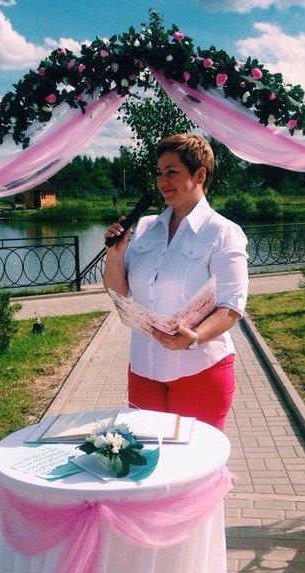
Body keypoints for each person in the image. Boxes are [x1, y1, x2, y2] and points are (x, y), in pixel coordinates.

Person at [103, 134, 248, 430]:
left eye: (171, 172)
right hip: (144, 368)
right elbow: (117, 291)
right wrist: (114, 255)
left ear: (199, 175)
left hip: (200, 370)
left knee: (196, 458)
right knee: (145, 454)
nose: (162, 181)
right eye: (159, 173)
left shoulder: (223, 232)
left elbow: (232, 306)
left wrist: (194, 338)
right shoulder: (145, 227)